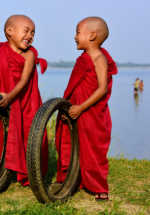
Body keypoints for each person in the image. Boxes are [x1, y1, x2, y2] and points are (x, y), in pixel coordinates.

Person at [50, 17, 118, 201]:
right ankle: (70, 179)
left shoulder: (99, 59)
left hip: (92, 112)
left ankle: (98, 187)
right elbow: (74, 87)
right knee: (71, 144)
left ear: (92, 35)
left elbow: (102, 89)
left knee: (93, 149)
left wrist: (81, 108)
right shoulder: (82, 60)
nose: (75, 36)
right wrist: (68, 108)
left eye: (78, 32)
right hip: (76, 109)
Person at [0, 15, 49, 186]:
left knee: (27, 134)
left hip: (25, 100)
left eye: (33, 33)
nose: (30, 36)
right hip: (2, 100)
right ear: (9, 31)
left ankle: (29, 174)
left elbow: (24, 80)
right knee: (1, 134)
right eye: (26, 31)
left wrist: (10, 96)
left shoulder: (29, 55)